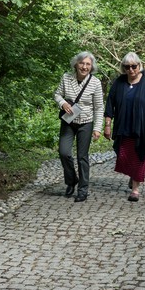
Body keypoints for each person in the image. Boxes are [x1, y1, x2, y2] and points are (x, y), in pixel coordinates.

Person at [104, 52, 145, 202]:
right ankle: (133, 175)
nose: (131, 69)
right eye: (127, 67)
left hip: (144, 128)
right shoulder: (119, 82)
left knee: (140, 156)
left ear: (139, 65)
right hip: (124, 127)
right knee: (125, 156)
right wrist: (107, 124)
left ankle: (135, 189)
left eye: (134, 66)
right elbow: (110, 102)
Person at [54, 51, 104, 202]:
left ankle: (83, 189)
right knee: (64, 152)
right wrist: (63, 103)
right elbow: (57, 94)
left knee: (82, 156)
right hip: (68, 121)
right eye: (82, 63)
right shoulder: (66, 78)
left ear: (91, 66)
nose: (84, 67)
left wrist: (97, 128)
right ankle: (71, 181)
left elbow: (99, 107)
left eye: (88, 64)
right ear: (76, 64)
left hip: (86, 122)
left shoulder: (95, 83)